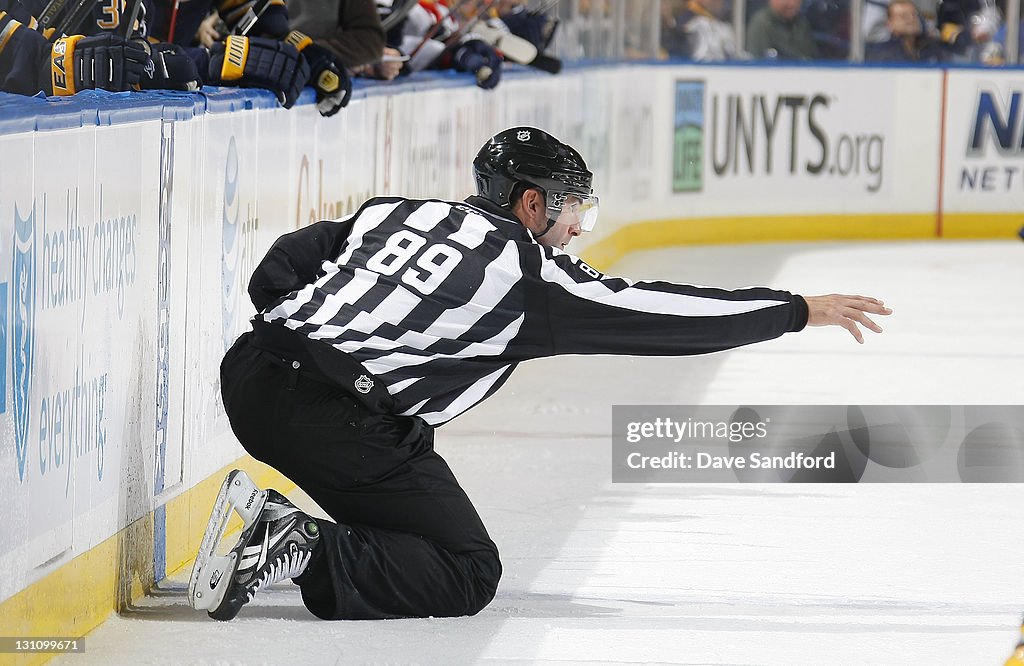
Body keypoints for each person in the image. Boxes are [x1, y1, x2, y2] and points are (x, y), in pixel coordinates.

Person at [191, 126, 892, 621]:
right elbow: (662, 313)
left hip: (250, 374)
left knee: (406, 429)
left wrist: (301, 341)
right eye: (573, 206)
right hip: (331, 420)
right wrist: (794, 310)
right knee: (466, 570)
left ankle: (302, 530)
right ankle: (299, 541)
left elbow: (282, 262)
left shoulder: (398, 212)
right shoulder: (532, 275)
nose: (578, 226)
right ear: (533, 203)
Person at [866, 0, 948, 62]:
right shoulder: (881, 55)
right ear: (890, 24)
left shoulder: (934, 48)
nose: (911, 19)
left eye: (914, 15)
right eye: (903, 16)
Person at [746, 0, 820, 59]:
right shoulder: (762, 22)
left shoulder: (801, 23)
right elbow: (759, 60)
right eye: (786, 0)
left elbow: (811, 55)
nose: (791, 4)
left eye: (796, 1)